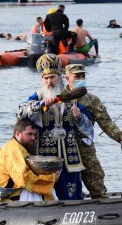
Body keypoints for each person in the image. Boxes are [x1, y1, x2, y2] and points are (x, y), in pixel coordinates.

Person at [18, 53, 93, 200]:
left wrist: (79, 117)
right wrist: (41, 104)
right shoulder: (38, 97)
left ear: (60, 77)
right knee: (47, 196)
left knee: (70, 196)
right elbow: (22, 112)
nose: (49, 82)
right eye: (45, 78)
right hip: (45, 157)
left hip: (69, 157)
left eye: (52, 77)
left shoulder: (71, 98)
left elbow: (88, 128)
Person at [65, 64, 122, 198]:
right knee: (68, 182)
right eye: (77, 76)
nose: (81, 79)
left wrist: (120, 136)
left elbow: (105, 122)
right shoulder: (60, 98)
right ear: (67, 78)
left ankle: (101, 202)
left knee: (95, 176)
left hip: (85, 145)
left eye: (83, 76)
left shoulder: (92, 100)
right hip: (65, 147)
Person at [0, 118, 59, 202]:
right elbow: (23, 179)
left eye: (34, 134)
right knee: (33, 191)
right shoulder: (13, 150)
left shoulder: (17, 145)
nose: (33, 138)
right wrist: (50, 178)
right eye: (29, 134)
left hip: (4, 192)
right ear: (17, 133)